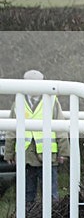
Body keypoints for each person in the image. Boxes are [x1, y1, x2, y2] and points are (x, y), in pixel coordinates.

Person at [3, 69, 69, 203]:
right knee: (27, 195)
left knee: (51, 195)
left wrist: (63, 152)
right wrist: (9, 152)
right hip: (26, 156)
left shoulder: (52, 101)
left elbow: (60, 128)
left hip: (48, 155)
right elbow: (11, 129)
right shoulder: (18, 102)